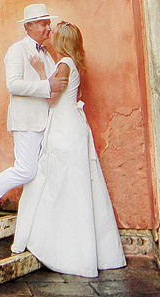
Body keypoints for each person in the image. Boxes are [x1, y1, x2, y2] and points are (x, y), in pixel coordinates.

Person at [11, 21, 127, 277]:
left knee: (60, 184)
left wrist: (41, 72)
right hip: (71, 126)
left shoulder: (63, 65)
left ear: (63, 42)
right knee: (76, 185)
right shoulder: (72, 63)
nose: (50, 37)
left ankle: (61, 248)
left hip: (64, 129)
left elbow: (51, 98)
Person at [0, 2, 69, 228]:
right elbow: (13, 85)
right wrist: (46, 86)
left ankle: (36, 221)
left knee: (42, 171)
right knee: (26, 170)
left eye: (48, 23)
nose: (48, 28)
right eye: (44, 24)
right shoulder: (16, 50)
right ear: (30, 27)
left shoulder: (47, 54)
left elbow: (54, 83)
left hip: (46, 120)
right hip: (26, 121)